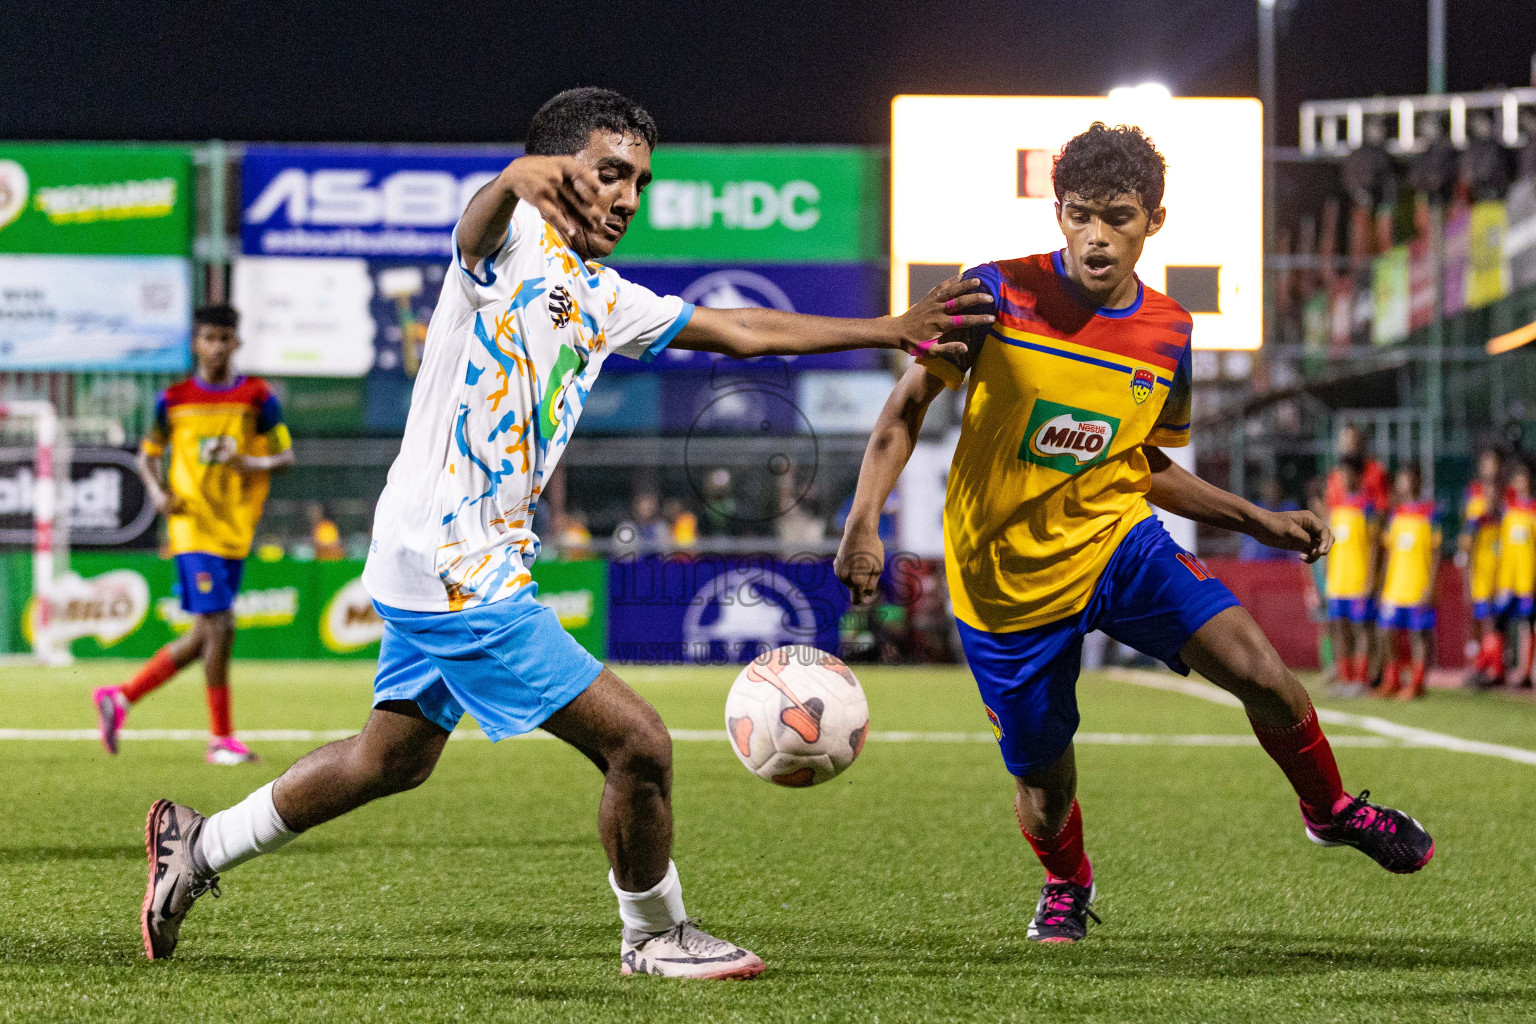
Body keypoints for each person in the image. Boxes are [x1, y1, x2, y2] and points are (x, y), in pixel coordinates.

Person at [136, 87, 993, 974]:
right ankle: (655, 935)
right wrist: (513, 179)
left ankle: (197, 847)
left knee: (387, 759)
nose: (626, 197)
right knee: (640, 745)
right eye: (609, 173)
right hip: (454, 567)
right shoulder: (511, 245)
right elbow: (473, 231)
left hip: (458, 558)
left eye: (640, 182)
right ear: (557, 171)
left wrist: (887, 328)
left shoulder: (602, 293)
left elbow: (741, 328)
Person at [834, 122, 1434, 945]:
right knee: (1045, 783)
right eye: (1078, 214)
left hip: (1120, 545)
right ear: (1058, 214)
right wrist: (862, 521)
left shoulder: (1170, 333)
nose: (1095, 236)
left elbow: (1140, 461)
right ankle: (1065, 882)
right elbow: (906, 409)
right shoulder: (992, 294)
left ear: (1154, 219)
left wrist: (1256, 518)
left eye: (1116, 216)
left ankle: (1329, 810)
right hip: (1002, 581)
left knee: (1265, 673)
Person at [94, 304, 294, 765]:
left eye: (225, 338)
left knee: (208, 633)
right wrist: (158, 494)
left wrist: (251, 463)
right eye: (209, 338)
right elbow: (147, 457)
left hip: (234, 529)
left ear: (236, 343)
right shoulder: (173, 399)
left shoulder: (258, 397)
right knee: (221, 625)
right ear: (195, 343)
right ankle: (221, 739)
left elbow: (284, 455)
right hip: (190, 526)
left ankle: (120, 697)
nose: (218, 347)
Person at [1375, 464, 1441, 700]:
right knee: (1385, 632)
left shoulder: (1430, 514)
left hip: (1417, 586)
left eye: (1408, 479)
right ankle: (1392, 679)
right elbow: (1389, 553)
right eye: (1401, 480)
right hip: (1395, 587)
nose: (1404, 484)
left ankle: (1417, 682)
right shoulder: (1396, 515)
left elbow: (1435, 554)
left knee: (1417, 636)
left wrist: (1430, 586)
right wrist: (1382, 585)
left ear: (1417, 481)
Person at [1323, 458, 1380, 693]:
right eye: (1341, 475)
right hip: (1338, 581)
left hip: (1358, 581)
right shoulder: (1335, 509)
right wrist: (1327, 573)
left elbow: (1375, 545)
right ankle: (1345, 678)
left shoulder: (1367, 508)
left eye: (1348, 474)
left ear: (1358, 477)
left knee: (1360, 630)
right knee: (1338, 629)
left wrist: (1370, 578)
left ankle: (1361, 679)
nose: (1344, 480)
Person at [1459, 449, 1505, 687]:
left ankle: (1495, 669)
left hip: (1504, 570)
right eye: (1486, 465)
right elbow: (1466, 536)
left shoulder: (1508, 497)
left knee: (1495, 622)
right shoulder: (1473, 498)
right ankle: (1480, 666)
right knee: (1479, 621)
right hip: (1480, 570)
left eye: (1494, 465)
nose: (1490, 470)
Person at [1493, 458, 1536, 688]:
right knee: (1499, 621)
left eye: (1524, 478)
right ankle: (1498, 669)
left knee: (1528, 624)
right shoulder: (1507, 509)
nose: (1520, 483)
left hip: (1528, 578)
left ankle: (1527, 673)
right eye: (1516, 479)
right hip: (1507, 578)